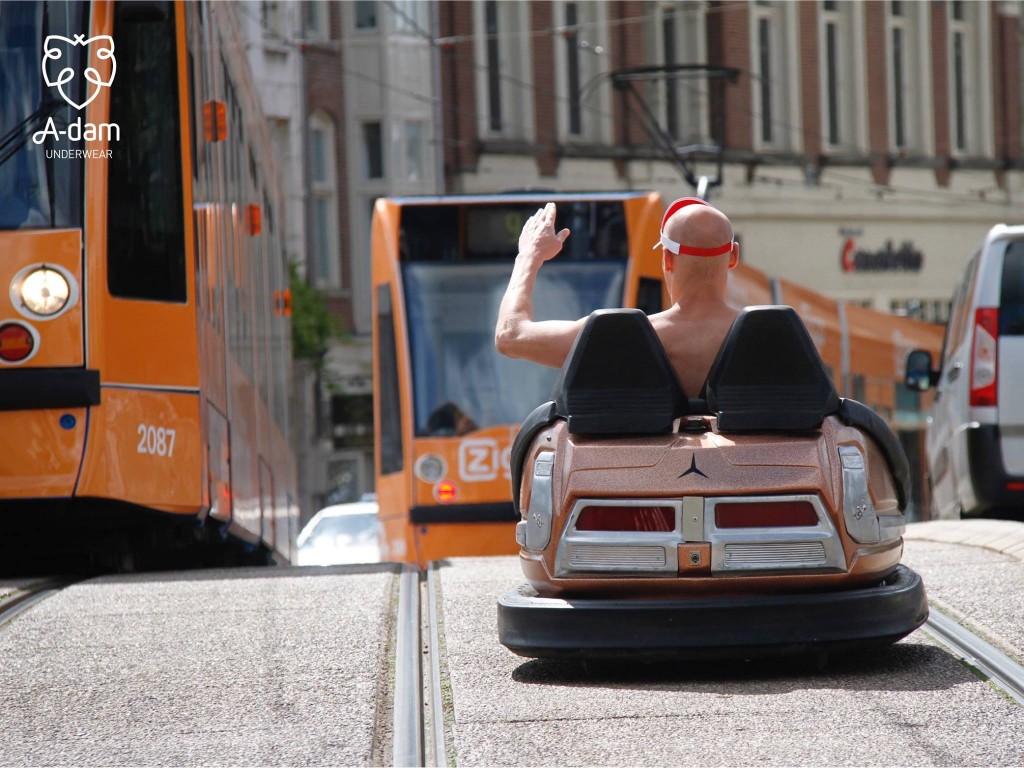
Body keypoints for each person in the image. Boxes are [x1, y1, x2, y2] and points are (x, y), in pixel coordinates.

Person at [494, 198, 740, 397]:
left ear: (667, 258)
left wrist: (528, 256)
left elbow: (510, 336)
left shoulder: (618, 336)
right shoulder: (772, 332)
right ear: (733, 257)